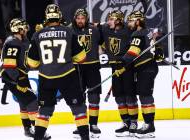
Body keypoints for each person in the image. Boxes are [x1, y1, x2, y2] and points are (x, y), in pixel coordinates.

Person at [27, 4, 90, 140]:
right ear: (59, 16)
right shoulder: (68, 32)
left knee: (44, 111)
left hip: (46, 77)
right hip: (67, 76)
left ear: (46, 17)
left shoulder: (37, 34)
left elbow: (32, 63)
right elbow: (82, 58)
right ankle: (85, 138)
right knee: (78, 109)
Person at [115, 11, 160, 138]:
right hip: (148, 67)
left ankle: (149, 127)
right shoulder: (149, 31)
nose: (129, 24)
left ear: (138, 21)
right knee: (144, 96)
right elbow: (156, 44)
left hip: (146, 67)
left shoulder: (138, 33)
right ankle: (148, 125)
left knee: (145, 96)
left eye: (131, 21)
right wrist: (159, 51)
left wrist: (122, 65)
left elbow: (132, 53)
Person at [97, 10, 138, 137]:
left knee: (129, 95)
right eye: (108, 19)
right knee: (119, 96)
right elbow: (94, 25)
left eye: (111, 19)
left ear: (119, 20)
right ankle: (125, 122)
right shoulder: (106, 29)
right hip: (114, 67)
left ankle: (133, 123)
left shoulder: (129, 30)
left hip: (127, 66)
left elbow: (142, 36)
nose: (108, 21)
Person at [1, 18, 38, 138]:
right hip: (12, 76)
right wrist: (18, 79)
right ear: (18, 29)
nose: (26, 29)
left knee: (24, 103)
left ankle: (27, 129)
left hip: (21, 74)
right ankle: (38, 131)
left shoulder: (22, 40)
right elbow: (9, 66)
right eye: (24, 27)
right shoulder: (12, 42)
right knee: (32, 101)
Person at [70, 8, 102, 138]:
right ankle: (81, 125)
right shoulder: (69, 30)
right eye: (78, 18)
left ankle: (93, 124)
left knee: (94, 96)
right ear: (74, 19)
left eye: (82, 18)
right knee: (79, 98)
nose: (80, 21)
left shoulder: (94, 30)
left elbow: (104, 41)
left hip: (93, 67)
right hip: (76, 68)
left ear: (86, 19)